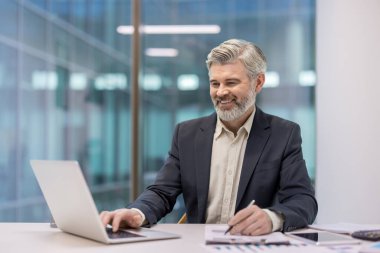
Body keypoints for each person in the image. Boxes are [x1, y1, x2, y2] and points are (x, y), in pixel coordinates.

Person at [100, 39, 318, 236]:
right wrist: (137, 213)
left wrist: (272, 218)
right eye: (215, 83)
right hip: (198, 246)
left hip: (254, 246)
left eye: (231, 83)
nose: (221, 92)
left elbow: (303, 200)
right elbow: (162, 192)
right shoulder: (187, 134)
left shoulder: (284, 134)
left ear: (258, 83)